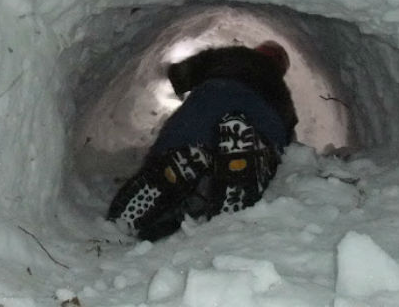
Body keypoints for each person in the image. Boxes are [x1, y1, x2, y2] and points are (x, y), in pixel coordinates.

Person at [107, 41, 298, 241]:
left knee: (176, 152)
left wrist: (181, 89)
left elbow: (180, 74)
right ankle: (243, 168)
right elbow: (288, 141)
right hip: (265, 116)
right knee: (260, 153)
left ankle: (177, 166)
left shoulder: (231, 55)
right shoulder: (283, 94)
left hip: (209, 102)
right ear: (280, 69)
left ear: (256, 50)